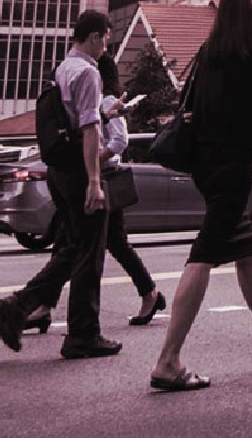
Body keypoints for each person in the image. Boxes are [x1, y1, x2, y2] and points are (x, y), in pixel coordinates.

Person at [149, 0, 252, 393]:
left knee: (245, 251)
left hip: (203, 161)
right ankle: (168, 360)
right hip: (233, 163)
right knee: (203, 253)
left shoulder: (210, 47)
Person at [0, 11, 122, 359]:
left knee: (72, 247)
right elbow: (90, 129)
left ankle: (19, 305)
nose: (106, 48)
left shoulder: (61, 70)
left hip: (58, 170)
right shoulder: (89, 72)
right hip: (80, 171)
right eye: (107, 39)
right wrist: (95, 181)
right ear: (94, 37)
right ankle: (82, 334)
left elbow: (73, 121)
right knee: (90, 252)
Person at [95, 55, 163, 325]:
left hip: (106, 177)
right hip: (99, 177)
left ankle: (149, 292)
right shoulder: (99, 100)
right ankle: (149, 292)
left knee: (104, 243)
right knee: (112, 243)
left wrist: (93, 159)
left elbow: (120, 141)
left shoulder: (108, 101)